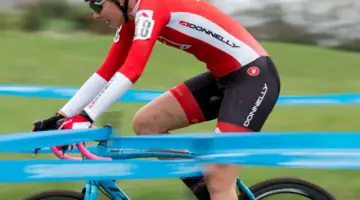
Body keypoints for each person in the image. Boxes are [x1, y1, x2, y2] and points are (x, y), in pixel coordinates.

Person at [32, 0, 281, 199]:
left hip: (254, 79)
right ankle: (204, 191)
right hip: (222, 78)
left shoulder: (151, 7)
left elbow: (133, 70)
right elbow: (107, 71)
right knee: (147, 123)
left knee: (220, 180)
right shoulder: (131, 20)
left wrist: (87, 117)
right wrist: (61, 116)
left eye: (97, 5)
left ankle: (216, 189)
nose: (96, 15)